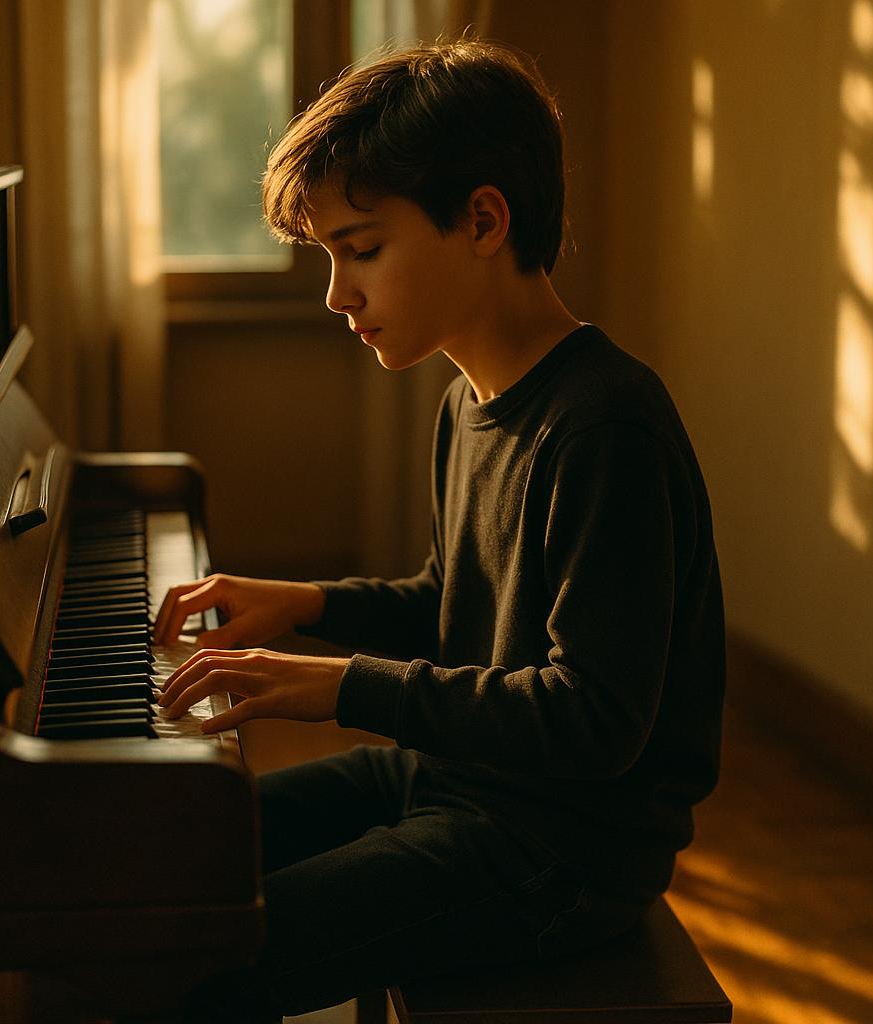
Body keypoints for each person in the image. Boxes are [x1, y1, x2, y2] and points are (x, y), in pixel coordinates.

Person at [154, 37, 725, 1022]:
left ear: (483, 220)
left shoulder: (604, 426)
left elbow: (592, 717)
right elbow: (455, 603)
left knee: (218, 957)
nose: (338, 295)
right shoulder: (467, 402)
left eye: (361, 249)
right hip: (460, 782)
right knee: (170, 865)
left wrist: (338, 686)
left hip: (560, 848)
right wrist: (304, 603)